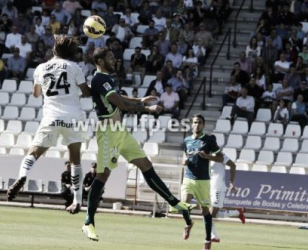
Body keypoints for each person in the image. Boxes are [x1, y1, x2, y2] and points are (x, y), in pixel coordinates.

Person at [82, 47, 194, 242]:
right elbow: (121, 104)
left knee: (146, 165)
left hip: (121, 131)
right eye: (109, 57)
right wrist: (146, 108)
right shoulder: (99, 79)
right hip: (108, 132)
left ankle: (175, 203)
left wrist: (139, 99)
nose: (114, 59)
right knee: (102, 175)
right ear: (99, 61)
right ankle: (88, 222)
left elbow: (120, 98)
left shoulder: (107, 79)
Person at [6, 35, 91, 215]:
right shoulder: (75, 67)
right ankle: (77, 201)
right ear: (70, 52)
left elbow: (36, 94)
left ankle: (22, 176)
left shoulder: (40, 68)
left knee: (33, 153)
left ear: (54, 50)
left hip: (51, 117)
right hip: (73, 117)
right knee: (75, 160)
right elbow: (86, 93)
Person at [181, 114, 223, 250]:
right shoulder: (187, 140)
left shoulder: (209, 140)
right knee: (184, 206)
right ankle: (188, 224)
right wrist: (184, 161)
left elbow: (220, 158)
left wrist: (207, 156)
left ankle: (207, 240)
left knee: (204, 211)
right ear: (191, 124)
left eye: (199, 122)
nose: (196, 125)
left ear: (203, 125)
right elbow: (184, 155)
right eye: (194, 122)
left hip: (203, 180)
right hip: (188, 178)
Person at [209, 151, 245, 243]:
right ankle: (237, 212)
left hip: (218, 188)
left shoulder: (218, 153)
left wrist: (231, 183)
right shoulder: (204, 154)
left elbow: (233, 165)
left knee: (210, 214)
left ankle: (214, 237)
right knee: (209, 214)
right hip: (208, 187)